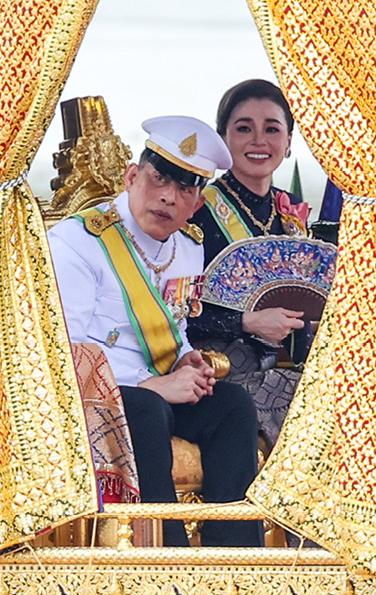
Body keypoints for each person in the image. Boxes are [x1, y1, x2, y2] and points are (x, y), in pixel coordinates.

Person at [48, 115, 263, 547]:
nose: (167, 197)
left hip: (161, 388)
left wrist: (186, 358)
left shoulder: (189, 244)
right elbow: (65, 350)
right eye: (158, 178)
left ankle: (236, 559)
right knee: (146, 410)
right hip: (97, 396)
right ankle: (167, 560)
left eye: (185, 189)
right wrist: (156, 385)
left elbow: (175, 323)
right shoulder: (77, 241)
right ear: (132, 176)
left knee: (233, 405)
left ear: (197, 203)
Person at [187, 79, 317, 455]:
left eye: (272, 129)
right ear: (222, 139)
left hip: (288, 359)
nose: (258, 140)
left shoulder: (291, 212)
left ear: (289, 141)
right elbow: (169, 310)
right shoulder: (195, 210)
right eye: (244, 128)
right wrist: (246, 321)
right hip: (217, 362)